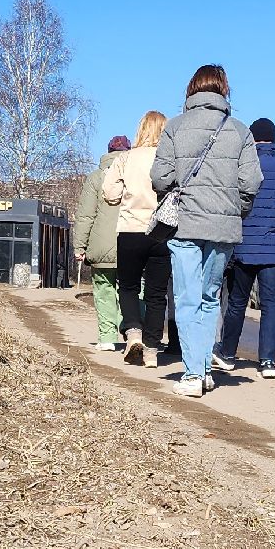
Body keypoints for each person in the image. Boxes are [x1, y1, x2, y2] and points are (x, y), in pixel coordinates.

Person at [152, 64, 263, 398]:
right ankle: (202, 368)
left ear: (191, 90)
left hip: (185, 223)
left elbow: (159, 178)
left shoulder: (174, 127)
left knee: (186, 299)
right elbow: (251, 182)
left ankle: (192, 373)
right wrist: (235, 209)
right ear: (223, 90)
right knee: (209, 296)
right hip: (224, 227)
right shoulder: (240, 130)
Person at [214, 117, 275, 379]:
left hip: (243, 247)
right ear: (274, 140)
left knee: (237, 302)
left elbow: (231, 209)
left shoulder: (241, 170)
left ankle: (227, 354)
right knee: (271, 303)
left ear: (251, 140)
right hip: (274, 249)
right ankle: (268, 363)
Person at [106, 111, 171, 366]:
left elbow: (109, 194)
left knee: (129, 287)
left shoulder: (125, 158)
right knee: (157, 293)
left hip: (131, 229)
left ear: (141, 129)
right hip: (162, 232)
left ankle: (133, 332)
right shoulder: (170, 159)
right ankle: (153, 350)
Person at [71, 135, 132, 351]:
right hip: (132, 242)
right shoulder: (137, 174)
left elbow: (86, 216)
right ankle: (132, 333)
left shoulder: (96, 177)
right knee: (133, 289)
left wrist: (80, 247)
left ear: (107, 152)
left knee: (104, 290)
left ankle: (107, 338)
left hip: (101, 245)